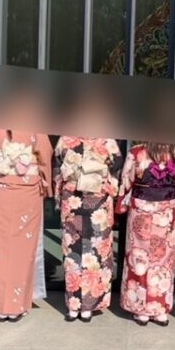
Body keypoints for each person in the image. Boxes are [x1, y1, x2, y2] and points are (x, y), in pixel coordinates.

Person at [0, 129, 53, 322]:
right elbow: (45, 155)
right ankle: (16, 305)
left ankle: (1, 306)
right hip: (27, 189)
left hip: (1, 188)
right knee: (22, 249)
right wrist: (46, 186)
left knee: (1, 248)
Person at [116, 142, 175, 326]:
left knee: (164, 260)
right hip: (142, 211)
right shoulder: (137, 152)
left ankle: (159, 307)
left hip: (168, 211)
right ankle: (140, 307)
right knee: (139, 258)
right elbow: (126, 180)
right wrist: (122, 204)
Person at [54, 136, 123, 322]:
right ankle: (74, 303)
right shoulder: (67, 138)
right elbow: (58, 167)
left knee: (97, 251)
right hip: (74, 198)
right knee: (72, 251)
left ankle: (88, 305)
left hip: (97, 198)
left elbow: (116, 166)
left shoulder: (107, 139)